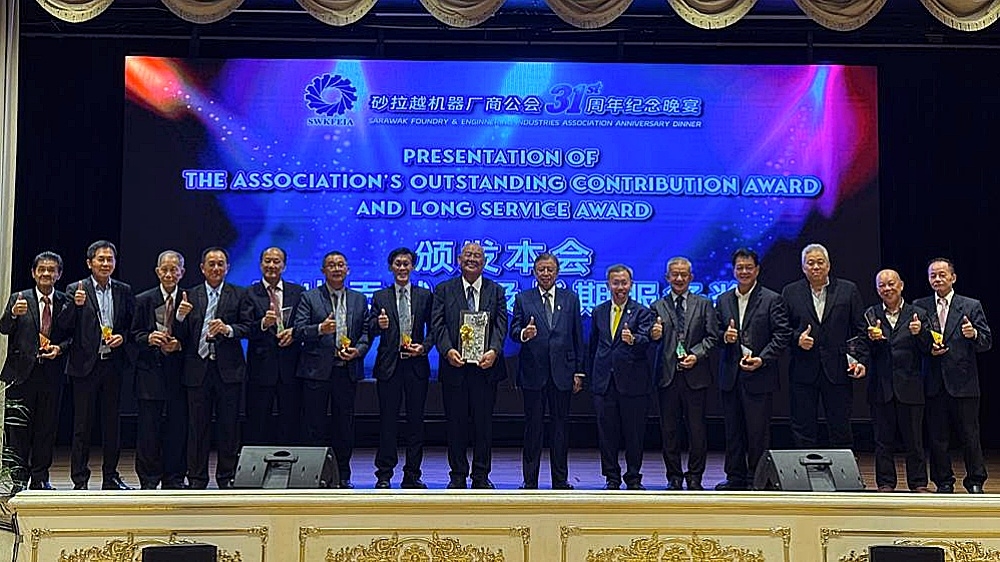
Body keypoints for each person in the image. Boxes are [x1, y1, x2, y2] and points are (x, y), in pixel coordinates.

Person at [59, 240, 135, 490]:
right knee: (82, 426)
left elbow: (130, 325)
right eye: (100, 259)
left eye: (109, 259)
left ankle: (110, 477)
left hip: (112, 364)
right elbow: (64, 326)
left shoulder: (123, 289)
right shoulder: (75, 289)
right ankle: (79, 480)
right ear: (89, 263)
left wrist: (122, 337)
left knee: (112, 425)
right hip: (85, 366)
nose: (105, 263)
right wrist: (75, 305)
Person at [431, 242, 508, 489]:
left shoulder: (495, 290)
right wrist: (447, 350)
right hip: (455, 367)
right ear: (458, 259)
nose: (472, 259)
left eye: (477, 256)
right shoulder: (444, 289)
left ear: (484, 262)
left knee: (484, 425)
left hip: (486, 369)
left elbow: (501, 326)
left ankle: (481, 475)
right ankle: (458, 474)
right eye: (468, 255)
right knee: (455, 424)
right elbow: (438, 324)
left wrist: (494, 351)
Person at [714, 248, 790, 491]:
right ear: (734, 270)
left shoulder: (772, 298)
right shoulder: (723, 299)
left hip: (760, 375)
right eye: (739, 268)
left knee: (758, 433)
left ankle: (757, 479)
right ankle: (734, 477)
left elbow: (782, 335)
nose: (744, 271)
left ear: (757, 270)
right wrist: (724, 336)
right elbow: (714, 332)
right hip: (731, 376)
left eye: (748, 267)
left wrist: (762, 358)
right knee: (733, 431)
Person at [914, 258, 992, 494]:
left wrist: (974, 333)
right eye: (932, 276)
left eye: (941, 275)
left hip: (964, 383)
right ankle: (943, 481)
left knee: (970, 435)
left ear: (953, 277)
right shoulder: (920, 306)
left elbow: (987, 342)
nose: (937, 279)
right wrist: (925, 344)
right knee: (937, 437)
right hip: (934, 381)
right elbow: (915, 345)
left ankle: (975, 480)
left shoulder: (970, 305)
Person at [293, 251, 370, 488]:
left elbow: (367, 332)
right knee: (314, 426)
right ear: (323, 271)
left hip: (346, 370)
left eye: (340, 265)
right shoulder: (309, 297)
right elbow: (298, 330)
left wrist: (358, 350)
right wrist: (320, 329)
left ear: (347, 270)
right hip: (317, 371)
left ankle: (343, 475)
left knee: (344, 426)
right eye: (331, 265)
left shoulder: (358, 298)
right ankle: (312, 475)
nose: (336, 269)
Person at [173, 247, 248, 490]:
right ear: (202, 268)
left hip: (229, 370)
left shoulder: (239, 294)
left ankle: (226, 477)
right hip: (198, 370)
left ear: (228, 267)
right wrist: (181, 318)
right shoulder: (190, 295)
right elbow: (181, 337)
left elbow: (249, 327)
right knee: (197, 427)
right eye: (211, 264)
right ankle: (196, 478)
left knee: (228, 427)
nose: (216, 268)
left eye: (221, 264)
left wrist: (228, 330)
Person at [781, 243, 867, 450]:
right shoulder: (790, 292)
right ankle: (805, 477)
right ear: (803, 267)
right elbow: (781, 330)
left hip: (838, 369)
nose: (816, 267)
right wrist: (797, 339)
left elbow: (860, 329)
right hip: (803, 370)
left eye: (820, 262)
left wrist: (860, 360)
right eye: (810, 263)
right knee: (803, 427)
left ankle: (844, 478)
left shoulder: (848, 290)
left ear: (828, 265)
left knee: (840, 426)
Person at [509, 253, 584, 490]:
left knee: (560, 428)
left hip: (563, 372)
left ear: (557, 272)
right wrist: (524, 334)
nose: (546, 274)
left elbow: (577, 337)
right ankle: (530, 480)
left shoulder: (570, 298)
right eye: (541, 269)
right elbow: (513, 332)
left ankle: (560, 480)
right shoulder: (523, 298)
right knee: (533, 428)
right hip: (534, 372)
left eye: (550, 269)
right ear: (534, 272)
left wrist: (579, 372)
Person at [0, 251, 70, 491]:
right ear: (33, 273)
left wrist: (59, 349)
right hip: (22, 374)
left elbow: (72, 337)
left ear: (59, 274)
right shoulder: (20, 298)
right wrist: (12, 314)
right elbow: (4, 328)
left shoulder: (64, 301)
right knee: (18, 428)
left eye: (52, 270)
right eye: (42, 269)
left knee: (46, 427)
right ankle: (18, 478)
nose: (46, 274)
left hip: (51, 374)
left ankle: (41, 476)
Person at [649, 257, 719, 491]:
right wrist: (654, 335)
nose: (679, 279)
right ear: (667, 277)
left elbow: (712, 338)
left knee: (697, 429)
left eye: (683, 275)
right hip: (668, 376)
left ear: (691, 277)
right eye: (674, 274)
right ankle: (674, 476)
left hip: (696, 375)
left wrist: (696, 355)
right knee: (669, 430)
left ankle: (695, 476)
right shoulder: (657, 306)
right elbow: (650, 340)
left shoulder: (704, 304)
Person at [368, 247, 434, 489]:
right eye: (398, 264)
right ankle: (384, 474)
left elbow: (435, 328)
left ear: (413, 267)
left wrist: (424, 347)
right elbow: (369, 327)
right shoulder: (380, 296)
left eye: (407, 264)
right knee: (387, 422)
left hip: (416, 365)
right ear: (391, 267)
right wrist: (378, 323)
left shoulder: (424, 296)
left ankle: (412, 475)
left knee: (416, 423)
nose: (403, 268)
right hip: (389, 366)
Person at [586, 264, 654, 490]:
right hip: (604, 382)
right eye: (615, 283)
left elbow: (648, 342)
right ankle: (611, 477)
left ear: (631, 285)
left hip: (633, 382)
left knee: (634, 433)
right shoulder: (599, 311)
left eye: (624, 283)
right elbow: (594, 346)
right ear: (608, 285)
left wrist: (633, 339)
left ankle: (633, 476)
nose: (620, 287)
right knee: (607, 433)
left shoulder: (642, 312)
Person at [865, 269, 932, 493]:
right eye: (882, 285)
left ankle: (919, 483)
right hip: (881, 387)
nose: (887, 289)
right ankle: (885, 483)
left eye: (891, 284)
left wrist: (920, 332)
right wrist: (873, 341)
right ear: (877, 289)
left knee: (914, 440)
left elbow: (928, 350)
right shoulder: (871, 314)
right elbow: (865, 352)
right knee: (883, 441)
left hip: (910, 387)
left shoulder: (918, 314)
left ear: (901, 285)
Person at [130, 250, 189, 489]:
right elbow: (133, 334)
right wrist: (148, 338)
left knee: (177, 428)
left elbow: (194, 337)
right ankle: (148, 479)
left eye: (174, 269)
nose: (169, 274)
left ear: (182, 272)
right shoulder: (144, 299)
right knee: (148, 430)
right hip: (150, 373)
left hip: (178, 375)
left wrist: (180, 341)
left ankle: (174, 478)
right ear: (157, 272)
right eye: (164, 269)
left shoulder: (188, 300)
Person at [239, 247, 304, 445]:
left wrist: (293, 334)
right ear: (260, 265)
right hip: (260, 368)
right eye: (267, 261)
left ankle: (289, 468)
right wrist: (262, 324)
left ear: (284, 265)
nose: (272, 265)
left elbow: (304, 323)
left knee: (290, 422)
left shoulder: (298, 292)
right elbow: (244, 327)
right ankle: (256, 472)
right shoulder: (249, 293)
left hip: (290, 367)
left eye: (277, 261)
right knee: (258, 422)